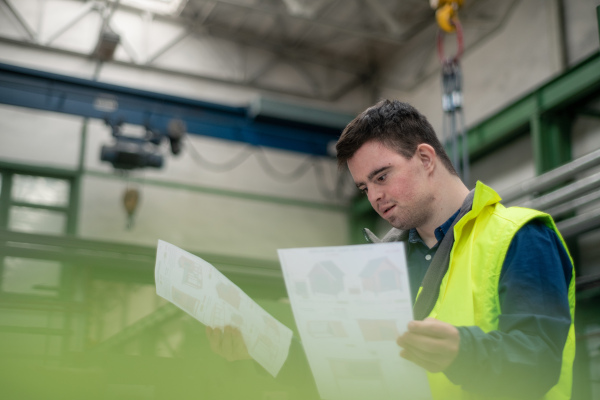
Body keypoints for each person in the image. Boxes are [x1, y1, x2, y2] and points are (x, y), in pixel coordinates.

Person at [208, 99, 575, 400]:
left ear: (426, 158)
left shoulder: (520, 237)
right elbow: (348, 371)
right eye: (365, 188)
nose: (376, 197)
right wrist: (261, 350)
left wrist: (462, 352)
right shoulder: (381, 263)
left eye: (382, 176)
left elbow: (538, 364)